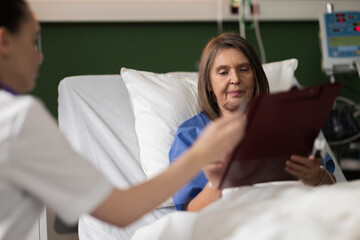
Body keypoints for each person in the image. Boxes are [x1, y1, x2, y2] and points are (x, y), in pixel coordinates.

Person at [0, 1, 247, 239]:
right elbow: (120, 210)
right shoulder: (18, 118)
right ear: (4, 42)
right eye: (33, 42)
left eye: (244, 69)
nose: (39, 56)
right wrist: (200, 156)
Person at [169, 32, 336, 212]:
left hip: (293, 213)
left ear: (255, 76)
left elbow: (333, 185)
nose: (235, 79)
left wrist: (316, 176)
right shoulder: (191, 135)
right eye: (223, 72)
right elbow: (189, 212)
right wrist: (218, 182)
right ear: (209, 84)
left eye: (243, 69)